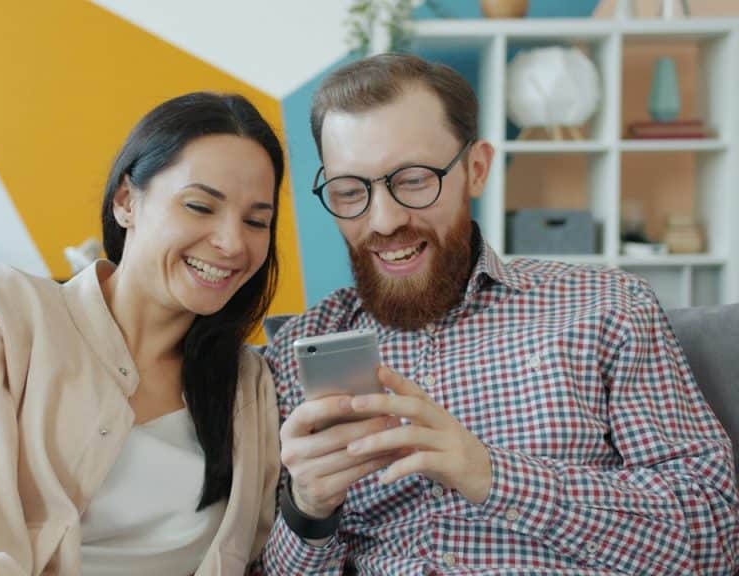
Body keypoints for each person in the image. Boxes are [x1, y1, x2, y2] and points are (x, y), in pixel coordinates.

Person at [259, 53, 739, 574]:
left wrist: (491, 475)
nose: (384, 220)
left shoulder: (608, 306)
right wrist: (308, 511)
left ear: (477, 169)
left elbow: (711, 538)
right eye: (351, 191)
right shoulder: (298, 351)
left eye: (414, 180)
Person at [0, 92, 283, 575]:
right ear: (126, 201)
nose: (232, 243)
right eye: (200, 206)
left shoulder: (251, 388)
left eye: (256, 221)